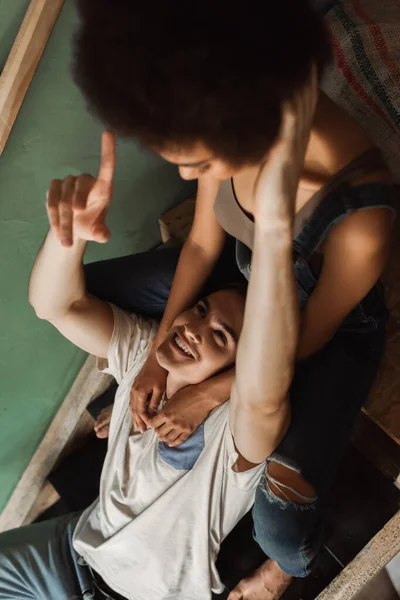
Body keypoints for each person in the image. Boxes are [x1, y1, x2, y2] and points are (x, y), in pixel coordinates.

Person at [68, 1, 397, 598]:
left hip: (320, 332)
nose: (192, 178)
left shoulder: (361, 219)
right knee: (86, 287)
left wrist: (207, 392)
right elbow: (200, 242)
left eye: (197, 163)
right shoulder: (231, 113)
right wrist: (151, 360)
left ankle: (288, 565)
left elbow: (297, 349)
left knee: (278, 522)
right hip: (246, 273)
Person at [0, 92, 308, 600]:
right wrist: (69, 237)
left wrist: (214, 393)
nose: (195, 328)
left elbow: (268, 391)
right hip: (73, 546)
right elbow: (55, 305)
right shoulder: (148, 350)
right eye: (203, 312)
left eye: (220, 337)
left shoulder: (235, 434)